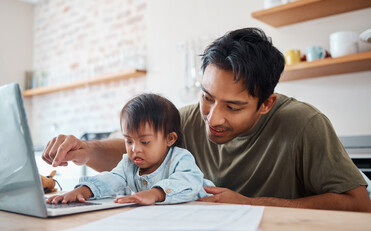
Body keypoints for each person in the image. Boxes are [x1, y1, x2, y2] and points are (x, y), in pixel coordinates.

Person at [42, 28, 371, 211]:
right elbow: (136, 150)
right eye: (207, 97)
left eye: (234, 106)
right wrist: (84, 151)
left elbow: (358, 204)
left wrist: (251, 204)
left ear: (266, 103)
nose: (213, 118)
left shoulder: (305, 124)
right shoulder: (187, 120)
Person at [47, 93, 214, 205]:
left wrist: (155, 194)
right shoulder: (128, 164)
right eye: (128, 141)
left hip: (209, 210)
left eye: (145, 142)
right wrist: (81, 191)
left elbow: (189, 182)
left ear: (170, 139)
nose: (135, 149)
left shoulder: (180, 158)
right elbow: (112, 179)